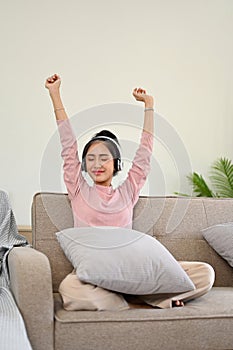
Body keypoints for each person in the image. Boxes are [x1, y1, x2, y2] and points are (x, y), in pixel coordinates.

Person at [45, 74, 214, 309]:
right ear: (84, 165)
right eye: (91, 159)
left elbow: (145, 152)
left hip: (133, 270)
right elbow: (68, 145)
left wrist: (149, 106)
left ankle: (136, 293)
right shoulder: (78, 188)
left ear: (116, 164)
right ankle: (138, 298)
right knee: (69, 289)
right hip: (94, 274)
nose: (97, 164)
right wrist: (55, 94)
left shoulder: (128, 190)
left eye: (104, 158)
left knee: (205, 273)